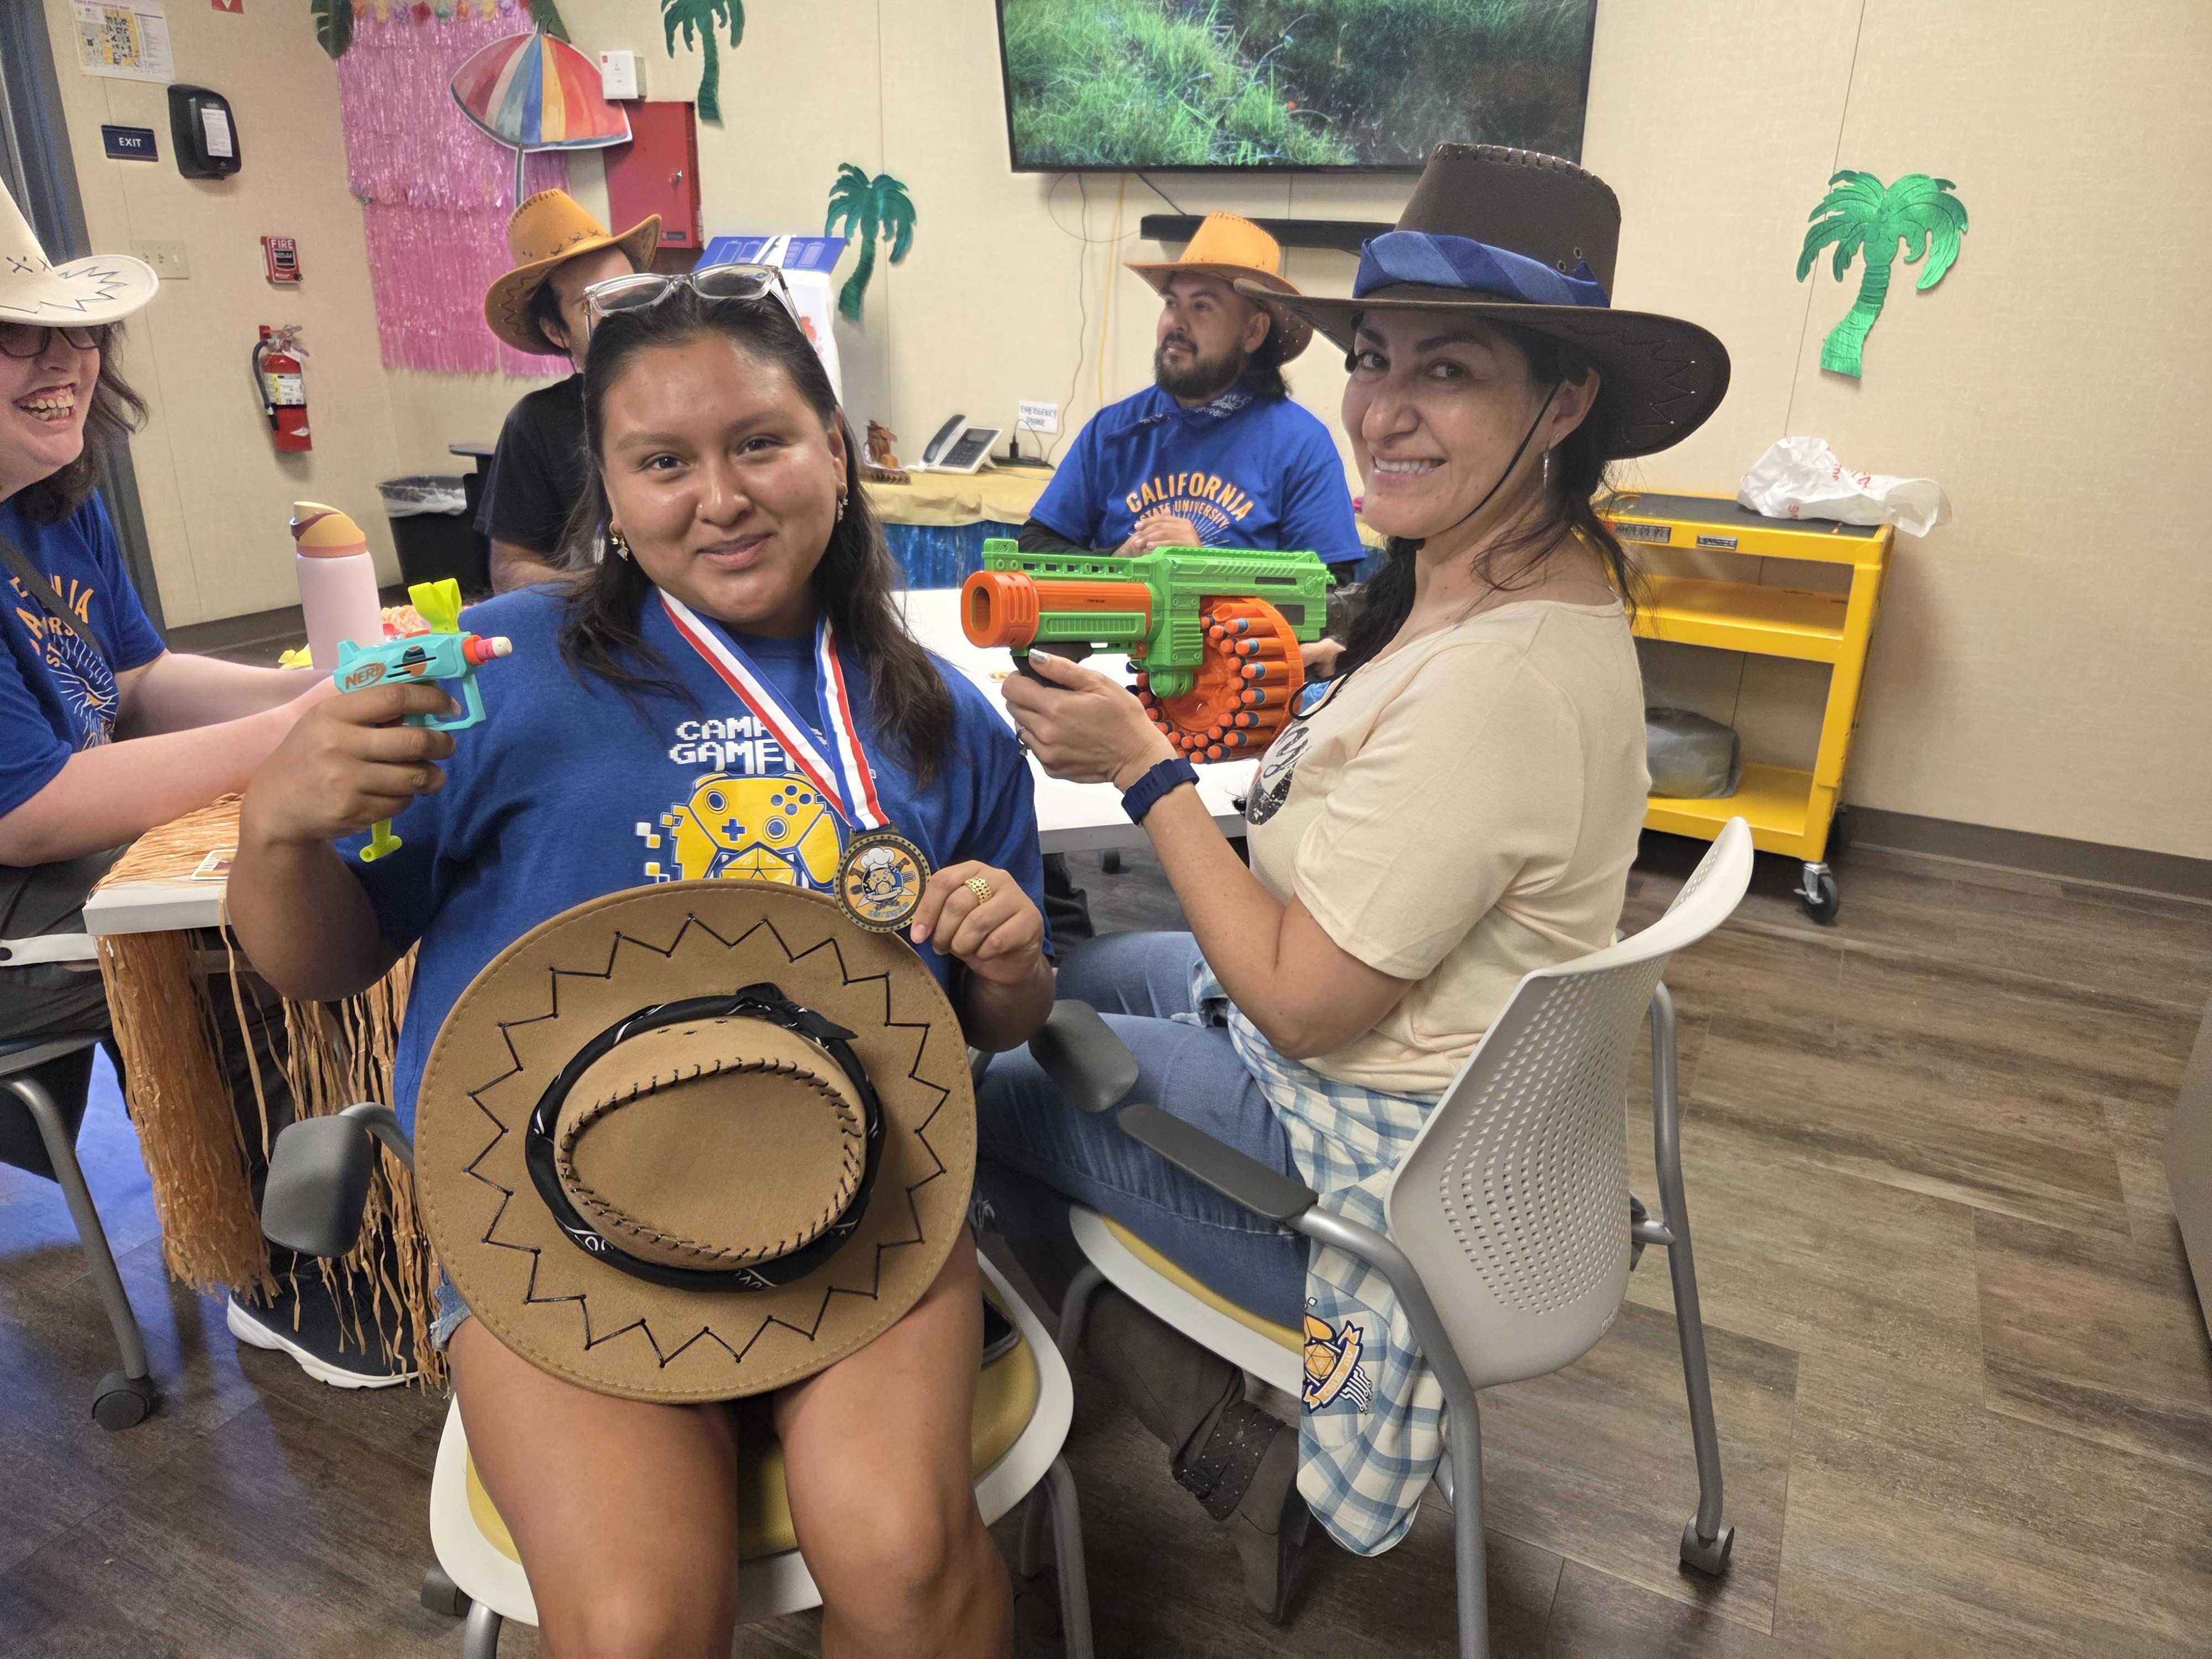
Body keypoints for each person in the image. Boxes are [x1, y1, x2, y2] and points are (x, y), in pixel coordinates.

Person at [227, 267, 1056, 1658]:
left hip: (867, 1191)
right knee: (633, 1624)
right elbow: (320, 965)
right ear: (608, 492)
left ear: (834, 456)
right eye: (662, 462)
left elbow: (989, 1019)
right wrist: (278, 832)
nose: (717, 497)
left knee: (906, 1562)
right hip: (550, 1207)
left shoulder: (936, 717)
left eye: (759, 443)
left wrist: (1011, 958)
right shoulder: (483, 670)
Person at [976, 144, 1730, 1616]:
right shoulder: (1498, 571)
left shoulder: (1495, 687)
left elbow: (1304, 1005)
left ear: (1563, 399)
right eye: (1374, 358)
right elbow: (1371, 728)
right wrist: (1303, 673)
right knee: (1068, 980)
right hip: (1478, 1091)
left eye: (1445, 372)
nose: (1382, 409)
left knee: (987, 1084)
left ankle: (1219, 1444)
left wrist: (1144, 769)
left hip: (1380, 1152)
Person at [0, 183, 415, 1385]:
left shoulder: (53, 500)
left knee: (321, 862)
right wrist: (298, 728)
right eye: (19, 332)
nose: (68, 357)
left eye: (75, 329)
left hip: (54, 854)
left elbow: (135, 681)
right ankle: (296, 1275)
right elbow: (27, 819)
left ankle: (360, 1206)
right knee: (248, 932)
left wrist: (327, 681)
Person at [1020, 213, 1366, 938]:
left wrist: (1206, 564)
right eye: (1171, 303)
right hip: (1123, 692)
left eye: (1201, 306)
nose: (1174, 323)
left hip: (1250, 713)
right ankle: (1056, 925)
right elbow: (1038, 551)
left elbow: (1340, 603)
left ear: (1254, 332)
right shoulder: (1116, 430)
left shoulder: (1297, 442)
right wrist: (1105, 576)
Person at [477, 190, 661, 593]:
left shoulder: (700, 392)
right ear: (555, 330)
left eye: (631, 291)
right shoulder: (537, 424)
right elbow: (511, 572)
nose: (626, 312)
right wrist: (613, 592)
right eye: (595, 303)